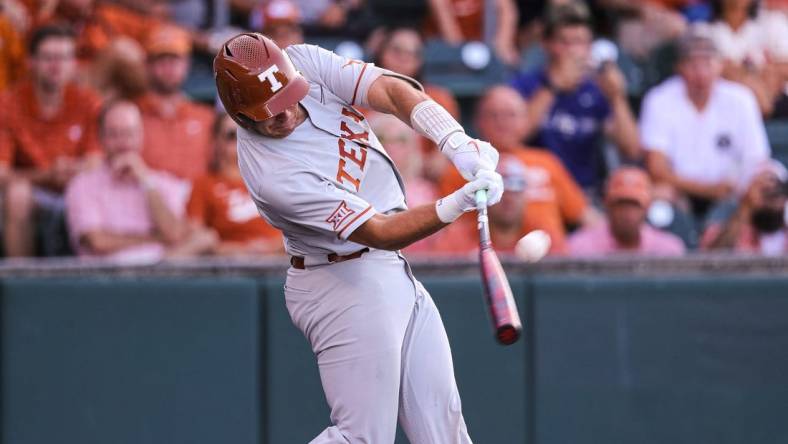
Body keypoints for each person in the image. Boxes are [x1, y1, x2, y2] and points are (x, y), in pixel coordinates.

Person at [214, 32, 503, 442]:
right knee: (362, 437)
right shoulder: (273, 176)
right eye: (270, 111)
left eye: (290, 96)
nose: (288, 112)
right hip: (339, 280)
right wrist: (458, 203)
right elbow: (380, 231)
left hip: (386, 269)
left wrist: (455, 142)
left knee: (445, 428)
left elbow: (389, 89)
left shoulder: (303, 61)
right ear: (242, 118)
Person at [440, 85, 595, 255]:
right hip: (480, 255)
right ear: (478, 121)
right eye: (493, 115)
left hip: (549, 258)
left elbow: (586, 217)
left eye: (510, 115)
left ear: (525, 120)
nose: (502, 122)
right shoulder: (461, 168)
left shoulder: (546, 162)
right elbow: (448, 226)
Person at [510, 2, 641, 194]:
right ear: (547, 44)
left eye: (581, 42)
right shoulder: (526, 85)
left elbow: (631, 149)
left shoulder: (597, 89)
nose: (573, 51)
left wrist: (617, 98)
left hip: (585, 191)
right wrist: (552, 87)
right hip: (536, 188)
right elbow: (514, 136)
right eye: (565, 42)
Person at [640, 30, 771, 219]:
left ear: (720, 65)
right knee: (658, 196)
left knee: (769, 186)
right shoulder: (659, 99)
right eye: (692, 64)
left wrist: (737, 188)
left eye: (708, 63)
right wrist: (708, 190)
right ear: (679, 67)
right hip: (678, 192)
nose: (701, 73)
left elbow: (757, 159)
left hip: (732, 193)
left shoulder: (741, 99)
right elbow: (656, 167)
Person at [65, 100, 217, 262]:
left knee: (206, 238)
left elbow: (174, 234)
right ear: (101, 138)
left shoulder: (162, 182)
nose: (123, 142)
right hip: (107, 276)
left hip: (161, 274)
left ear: (141, 136)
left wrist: (146, 181)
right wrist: (155, 239)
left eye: (130, 133)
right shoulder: (82, 185)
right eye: (114, 134)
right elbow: (96, 242)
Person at [0, 25, 102, 257]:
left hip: (78, 188)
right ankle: (22, 282)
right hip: (32, 192)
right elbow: (2, 173)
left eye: (64, 57)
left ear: (74, 64)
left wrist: (69, 170)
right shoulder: (8, 104)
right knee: (17, 194)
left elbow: (95, 163)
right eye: (49, 58)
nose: (57, 66)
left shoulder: (87, 102)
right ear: (31, 63)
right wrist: (47, 174)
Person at [186, 112, 284, 257]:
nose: (241, 140)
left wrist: (271, 248)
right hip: (229, 266)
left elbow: (303, 228)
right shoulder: (204, 184)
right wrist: (237, 251)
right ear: (216, 141)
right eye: (232, 135)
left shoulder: (277, 178)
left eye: (247, 133)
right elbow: (196, 237)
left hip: (280, 260)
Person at [136, 24, 214, 181]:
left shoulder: (206, 117)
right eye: (160, 58)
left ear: (187, 64)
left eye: (175, 58)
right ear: (147, 65)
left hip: (195, 200)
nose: (168, 66)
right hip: (146, 199)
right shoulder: (132, 114)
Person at [695, 0, 788, 117]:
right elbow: (705, 73)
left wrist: (771, 72)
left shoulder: (773, 23)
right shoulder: (703, 31)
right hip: (725, 109)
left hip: (777, 103)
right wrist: (750, 82)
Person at [569, 166, 686, 256]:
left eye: (634, 205)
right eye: (621, 204)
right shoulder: (581, 247)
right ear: (607, 205)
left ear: (647, 208)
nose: (627, 212)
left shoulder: (667, 249)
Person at [367, 112, 439, 254]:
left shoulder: (427, 194)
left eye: (400, 140)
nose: (391, 146)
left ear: (412, 148)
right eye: (381, 138)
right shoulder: (355, 190)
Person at [701, 160, 788, 255]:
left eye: (776, 189)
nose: (770, 194)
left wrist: (778, 209)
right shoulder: (725, 211)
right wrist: (746, 207)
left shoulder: (783, 224)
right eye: (764, 189)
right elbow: (712, 258)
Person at [424, 0, 519, 65]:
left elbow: (507, 12)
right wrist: (462, 54)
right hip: (446, 52)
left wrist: (502, 45)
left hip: (483, 49)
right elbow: (451, 36)